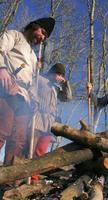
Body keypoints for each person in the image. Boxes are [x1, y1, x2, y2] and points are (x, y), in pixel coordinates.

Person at [0, 17, 55, 165]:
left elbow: (31, 82)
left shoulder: (32, 56)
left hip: (24, 98)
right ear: (34, 26)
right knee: (2, 131)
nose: (42, 37)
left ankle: (7, 180)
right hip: (7, 88)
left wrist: (34, 99)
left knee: (18, 140)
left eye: (45, 37)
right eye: (42, 32)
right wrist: (2, 69)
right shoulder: (14, 35)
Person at [29, 63, 72, 183]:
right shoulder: (40, 79)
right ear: (53, 72)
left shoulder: (57, 88)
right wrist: (34, 102)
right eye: (58, 74)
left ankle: (34, 179)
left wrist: (65, 84)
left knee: (40, 152)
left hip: (49, 123)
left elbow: (68, 98)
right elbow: (31, 91)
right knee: (30, 150)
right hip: (37, 119)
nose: (59, 77)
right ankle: (23, 177)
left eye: (61, 75)